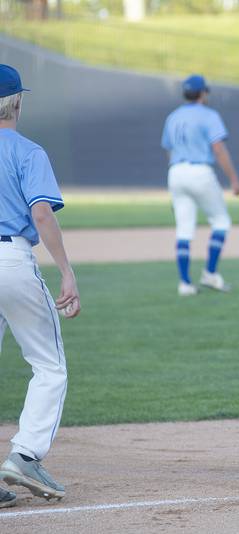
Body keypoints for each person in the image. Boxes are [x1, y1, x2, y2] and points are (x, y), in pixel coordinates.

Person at [0, 64, 80, 507]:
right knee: (49, 366)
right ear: (18, 102)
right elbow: (42, 214)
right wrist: (66, 270)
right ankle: (26, 455)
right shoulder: (28, 150)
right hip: (10, 258)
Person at [161, 74, 239, 296]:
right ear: (202, 93)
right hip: (200, 171)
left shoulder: (173, 117)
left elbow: (169, 149)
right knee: (221, 221)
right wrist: (234, 179)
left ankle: (185, 284)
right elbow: (218, 148)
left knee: (184, 229)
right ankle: (210, 274)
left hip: (176, 172)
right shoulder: (209, 115)